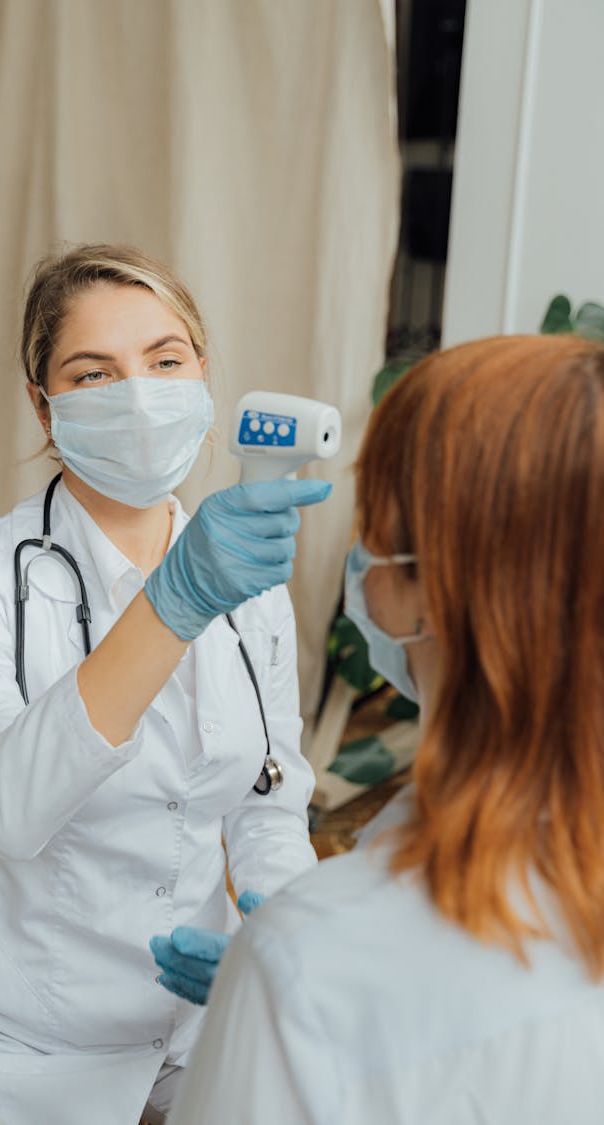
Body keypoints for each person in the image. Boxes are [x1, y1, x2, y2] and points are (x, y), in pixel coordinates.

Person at [0, 243, 331, 1125]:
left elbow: (267, 804)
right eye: (93, 374)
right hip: (17, 1049)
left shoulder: (253, 586)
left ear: (203, 378)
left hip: (198, 1036)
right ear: (44, 408)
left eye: (165, 362)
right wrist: (173, 602)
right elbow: (2, 804)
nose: (138, 395)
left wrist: (287, 943)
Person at [168, 334, 604, 1124]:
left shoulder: (313, 964)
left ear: (428, 586)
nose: (360, 550)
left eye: (373, 514)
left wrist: (282, 983)